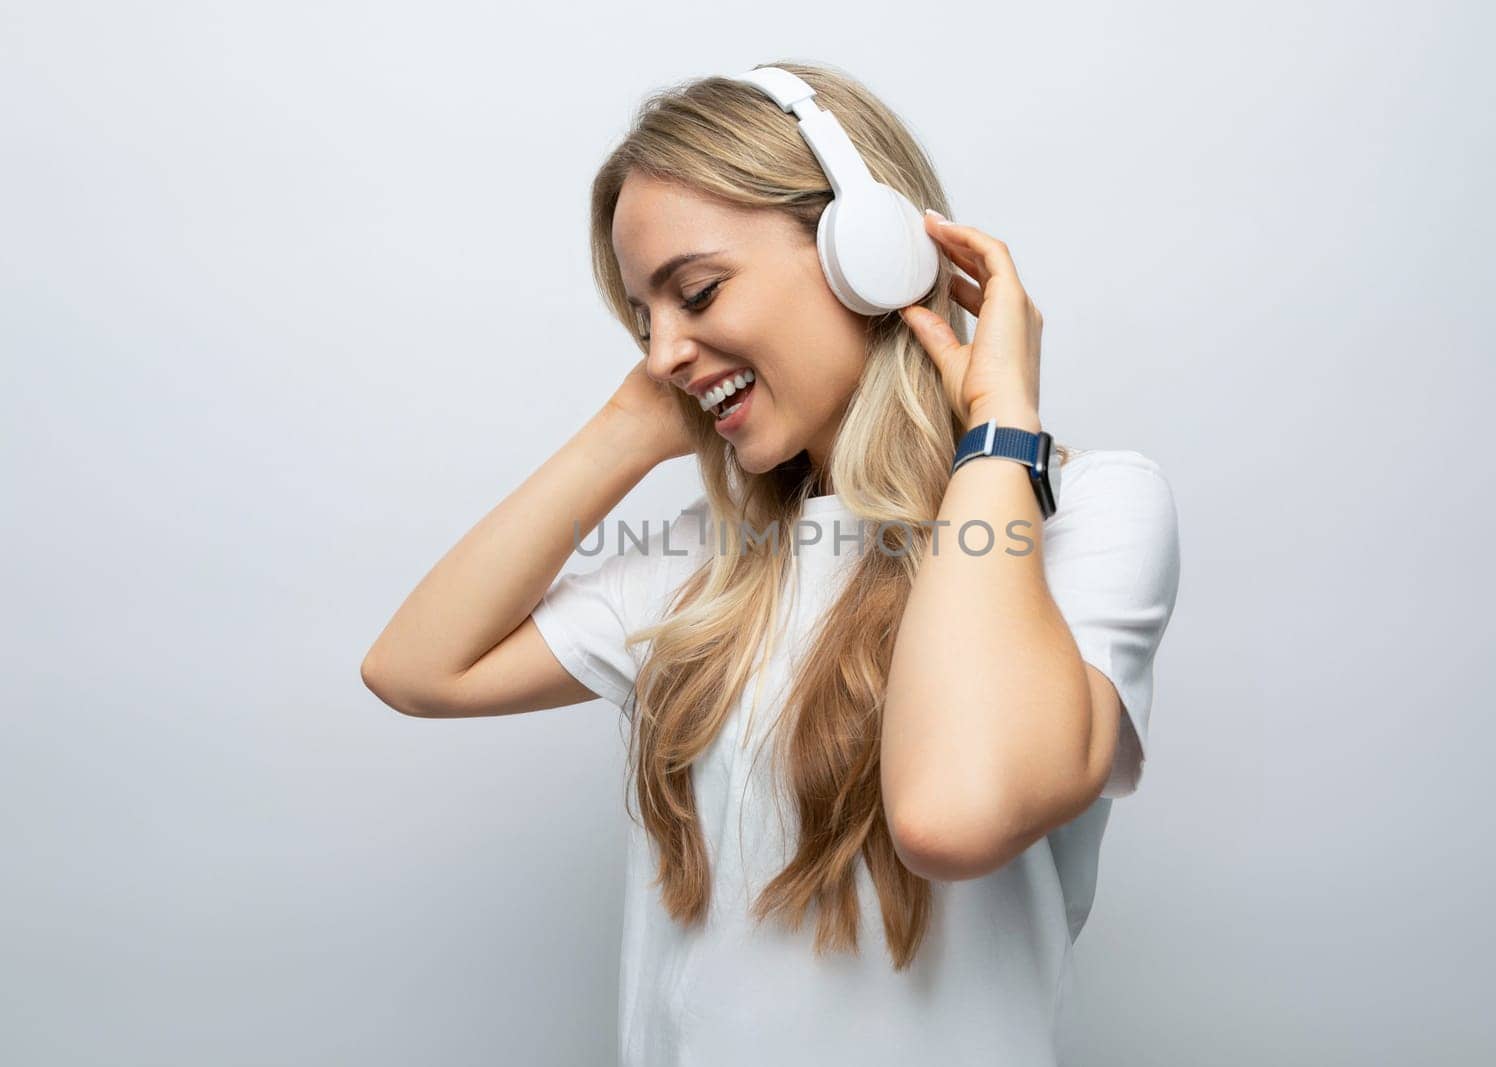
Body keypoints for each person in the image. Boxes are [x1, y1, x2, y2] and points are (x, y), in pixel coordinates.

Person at [362, 59, 1181, 1067]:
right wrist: (624, 428)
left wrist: (998, 428)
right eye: (641, 316)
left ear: (865, 256)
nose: (663, 348)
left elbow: (950, 812)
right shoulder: (712, 568)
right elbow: (414, 667)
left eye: (696, 290)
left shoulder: (1084, 515)